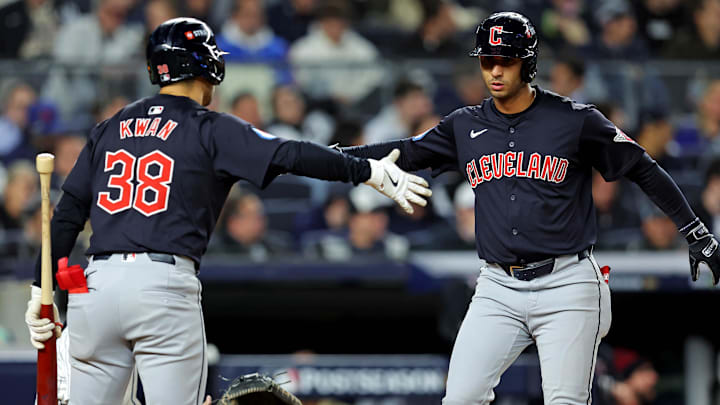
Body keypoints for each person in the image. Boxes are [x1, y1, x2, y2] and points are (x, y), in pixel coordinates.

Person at [23, 17, 431, 405]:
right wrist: (366, 171)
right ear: (208, 66)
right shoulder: (209, 126)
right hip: (161, 286)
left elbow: (65, 217)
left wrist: (40, 295)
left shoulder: (108, 127)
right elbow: (291, 153)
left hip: (95, 287)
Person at [339, 11, 720, 404]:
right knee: (459, 399)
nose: (495, 70)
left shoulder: (575, 120)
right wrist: (338, 159)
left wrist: (695, 231)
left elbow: (643, 168)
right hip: (497, 286)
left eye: (506, 60)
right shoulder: (463, 125)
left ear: (529, 63)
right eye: (487, 60)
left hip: (567, 282)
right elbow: (405, 152)